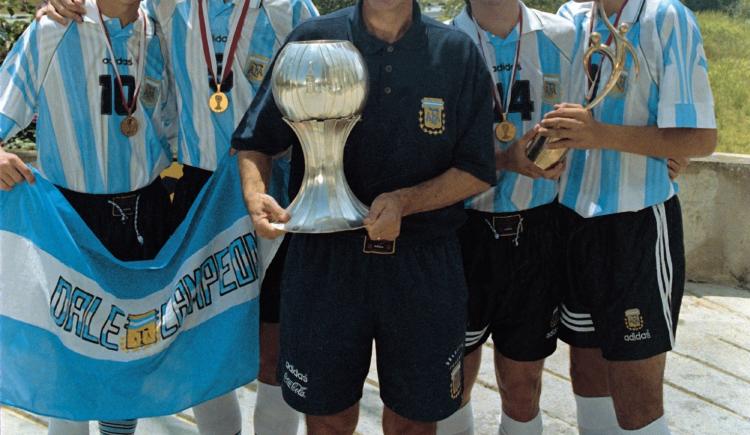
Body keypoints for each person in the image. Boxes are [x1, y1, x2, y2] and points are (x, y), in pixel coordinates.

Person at [42, 0, 318, 432]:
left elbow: (332, 70)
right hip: (197, 190)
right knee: (201, 341)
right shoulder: (168, 6)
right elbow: (112, 14)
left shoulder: (291, 5)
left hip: (276, 186)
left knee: (276, 343)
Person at [231, 0, 497, 433]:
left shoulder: (456, 52)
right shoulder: (312, 41)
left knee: (413, 423)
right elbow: (257, 141)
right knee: (328, 420)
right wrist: (256, 192)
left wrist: (405, 202)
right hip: (327, 261)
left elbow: (476, 169)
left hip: (422, 263)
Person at [540, 0, 717, 433]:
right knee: (587, 375)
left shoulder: (666, 17)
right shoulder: (571, 17)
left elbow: (701, 137)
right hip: (572, 220)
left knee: (636, 396)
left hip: (637, 224)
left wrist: (599, 135)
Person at [0, 0, 175, 433]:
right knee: (69, 359)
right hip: (69, 217)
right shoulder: (54, 27)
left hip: (145, 213)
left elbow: (177, 129)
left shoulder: (164, 30)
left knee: (129, 356)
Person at [437, 1, 575, 434]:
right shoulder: (438, 43)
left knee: (523, 384)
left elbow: (602, 114)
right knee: (452, 380)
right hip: (460, 232)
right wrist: (505, 160)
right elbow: (426, 150)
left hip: (537, 231)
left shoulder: (564, 38)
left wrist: (668, 153)